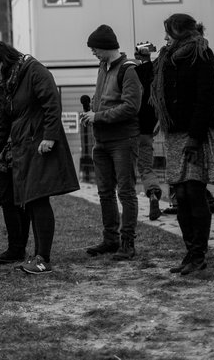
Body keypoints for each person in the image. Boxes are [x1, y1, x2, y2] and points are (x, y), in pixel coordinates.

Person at [0, 42, 79, 275]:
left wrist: (49, 137)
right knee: (31, 201)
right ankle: (38, 256)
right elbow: (2, 125)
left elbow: (52, 104)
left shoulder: (34, 71)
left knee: (38, 199)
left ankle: (43, 258)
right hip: (24, 147)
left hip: (40, 145)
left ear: (3, 60)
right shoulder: (8, 84)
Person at [150, 13, 214, 275]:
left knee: (193, 191)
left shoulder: (201, 53)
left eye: (168, 32)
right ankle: (190, 253)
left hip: (195, 133)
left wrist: (194, 136)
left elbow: (207, 97)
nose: (165, 37)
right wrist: (144, 60)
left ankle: (199, 255)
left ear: (180, 32)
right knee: (180, 195)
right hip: (175, 133)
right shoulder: (167, 58)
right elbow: (153, 84)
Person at [80, 24, 142, 261]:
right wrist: (92, 112)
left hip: (123, 140)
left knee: (126, 192)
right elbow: (103, 98)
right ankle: (110, 240)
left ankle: (127, 242)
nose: (93, 52)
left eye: (95, 48)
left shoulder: (128, 70)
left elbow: (131, 107)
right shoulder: (103, 67)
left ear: (106, 47)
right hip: (102, 140)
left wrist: (98, 116)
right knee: (105, 192)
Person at [0, 72, 29, 264]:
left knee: (16, 202)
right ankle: (17, 246)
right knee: (11, 202)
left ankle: (17, 247)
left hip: (11, 149)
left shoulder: (8, 87)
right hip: (1, 151)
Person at [133, 42, 163, 220]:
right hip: (148, 128)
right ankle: (152, 193)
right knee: (146, 167)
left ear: (137, 56)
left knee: (126, 168)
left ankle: (129, 206)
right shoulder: (157, 73)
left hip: (131, 127)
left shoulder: (132, 73)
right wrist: (158, 121)